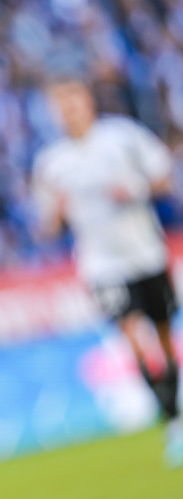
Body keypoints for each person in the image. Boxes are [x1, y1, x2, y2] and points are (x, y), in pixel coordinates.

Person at [31, 78, 183, 467]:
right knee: (133, 338)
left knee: (165, 337)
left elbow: (164, 177)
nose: (70, 111)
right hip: (101, 265)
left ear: (88, 102)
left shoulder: (123, 137)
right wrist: (57, 212)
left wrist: (134, 189)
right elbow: (46, 226)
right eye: (62, 106)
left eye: (74, 102)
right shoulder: (51, 163)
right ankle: (171, 420)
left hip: (146, 253)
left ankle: (176, 406)